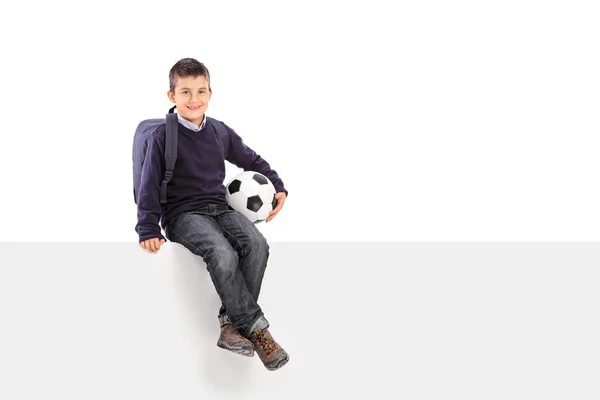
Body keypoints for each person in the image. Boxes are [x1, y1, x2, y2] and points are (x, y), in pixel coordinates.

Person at [135, 57, 290, 371]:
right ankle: (257, 330)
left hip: (219, 207)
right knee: (221, 252)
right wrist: (148, 228)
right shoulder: (162, 136)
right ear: (171, 96)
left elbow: (251, 158)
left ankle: (230, 326)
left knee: (257, 245)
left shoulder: (218, 131)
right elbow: (147, 183)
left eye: (201, 91)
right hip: (182, 214)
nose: (194, 100)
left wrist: (276, 184)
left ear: (210, 93)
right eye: (185, 92)